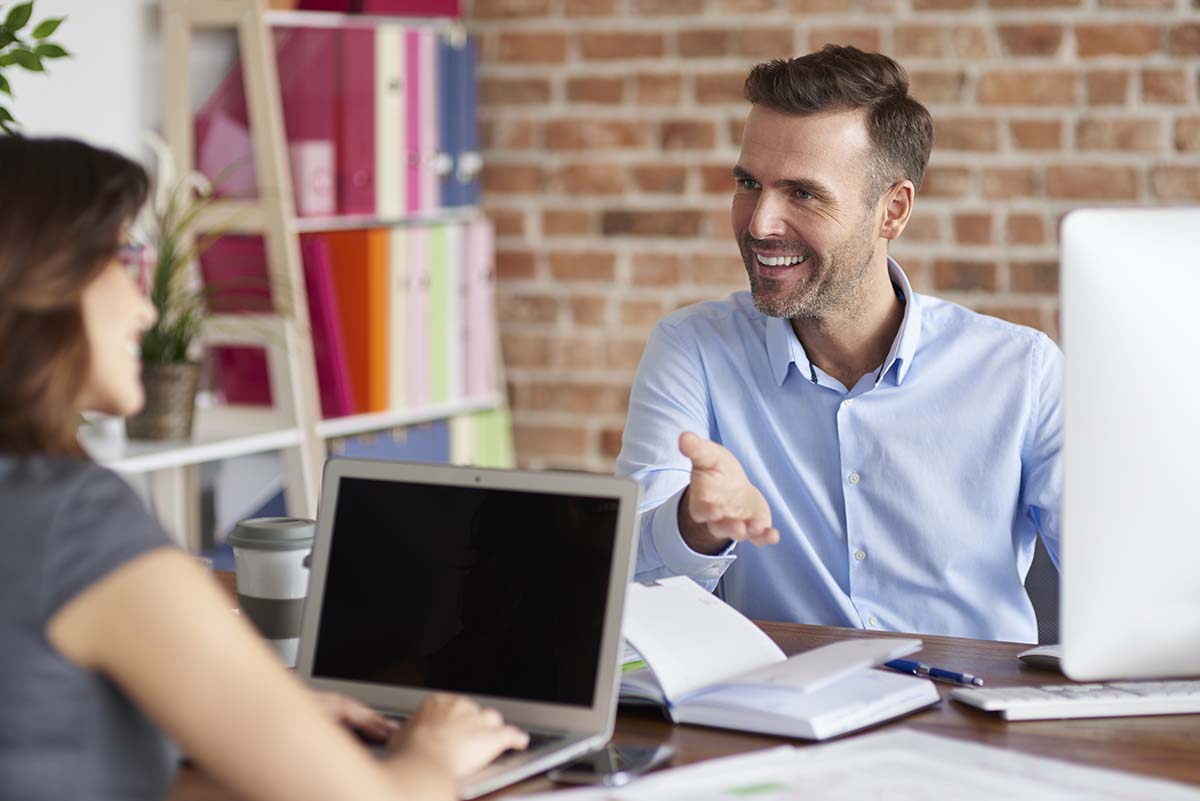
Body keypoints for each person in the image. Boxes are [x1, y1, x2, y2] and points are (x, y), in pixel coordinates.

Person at [0, 136, 527, 801]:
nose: (147, 308)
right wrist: (433, 751)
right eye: (123, 259)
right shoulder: (74, 522)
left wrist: (246, 732)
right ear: (41, 273)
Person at [616, 46, 1062, 643]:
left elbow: (1122, 586)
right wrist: (695, 525)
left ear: (893, 210)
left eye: (802, 193)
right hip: (780, 715)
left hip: (971, 714)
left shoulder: (1022, 372)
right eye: (749, 183)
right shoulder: (693, 349)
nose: (759, 224)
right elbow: (631, 593)